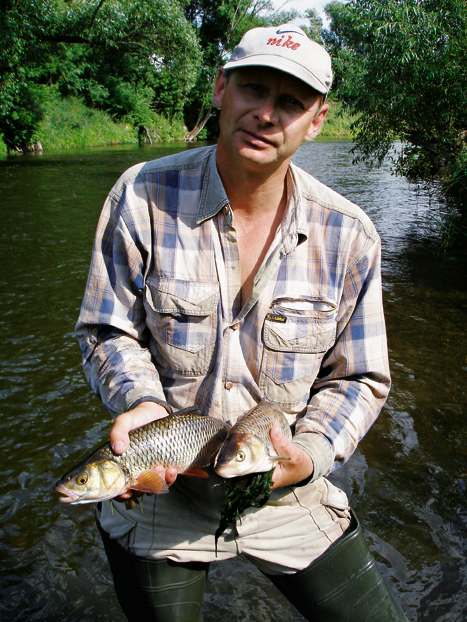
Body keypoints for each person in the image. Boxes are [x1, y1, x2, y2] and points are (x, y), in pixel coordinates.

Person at [75, 24, 408, 622]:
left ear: (317, 120)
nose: (266, 114)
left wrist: (307, 454)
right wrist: (141, 403)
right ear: (221, 90)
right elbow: (108, 331)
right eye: (253, 90)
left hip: (285, 489)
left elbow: (359, 377)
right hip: (161, 484)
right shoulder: (140, 196)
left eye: (290, 102)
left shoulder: (350, 234)